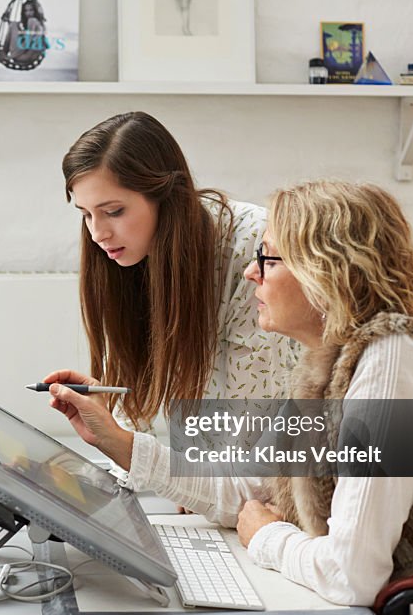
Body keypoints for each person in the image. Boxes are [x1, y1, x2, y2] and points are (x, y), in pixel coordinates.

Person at [46, 179, 413, 615]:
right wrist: (118, 441)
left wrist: (268, 538)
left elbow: (350, 575)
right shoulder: (334, 359)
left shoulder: (389, 366)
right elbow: (254, 486)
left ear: (329, 271)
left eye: (269, 259)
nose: (252, 275)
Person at [43, 111, 297, 456]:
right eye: (86, 214)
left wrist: (189, 479)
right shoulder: (129, 253)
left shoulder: (255, 248)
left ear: (165, 195)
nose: (98, 233)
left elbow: (254, 423)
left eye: (114, 211)